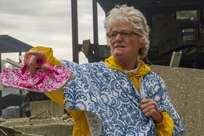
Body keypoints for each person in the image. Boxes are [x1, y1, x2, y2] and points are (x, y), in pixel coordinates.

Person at [23, 5, 185, 136]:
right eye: (112, 34)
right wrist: (42, 61)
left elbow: (177, 130)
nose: (117, 38)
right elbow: (61, 74)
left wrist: (159, 118)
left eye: (125, 33)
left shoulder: (154, 82)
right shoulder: (91, 76)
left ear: (141, 39)